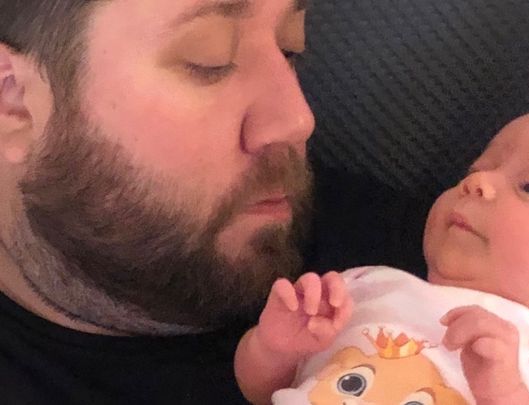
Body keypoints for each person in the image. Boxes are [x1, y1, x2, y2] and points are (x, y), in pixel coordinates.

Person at [234, 102, 529, 404]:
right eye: (475, 169)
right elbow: (264, 390)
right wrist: (275, 347)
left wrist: (504, 393)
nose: (478, 182)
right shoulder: (365, 286)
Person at [0, 0, 314, 403]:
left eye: (289, 48)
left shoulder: (385, 263)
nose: (297, 120)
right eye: (210, 62)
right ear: (12, 98)